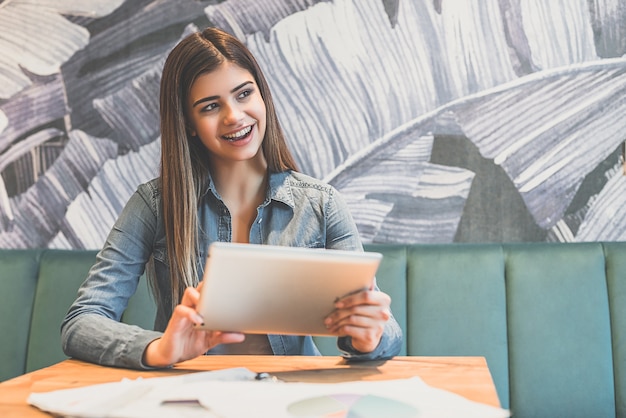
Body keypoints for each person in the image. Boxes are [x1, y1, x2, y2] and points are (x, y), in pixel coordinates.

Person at [61, 26, 402, 369]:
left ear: (262, 96)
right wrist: (160, 349)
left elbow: (385, 327)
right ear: (189, 123)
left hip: (293, 396)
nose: (234, 116)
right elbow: (82, 321)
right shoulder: (153, 203)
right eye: (210, 106)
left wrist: (370, 335)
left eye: (243, 94)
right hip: (189, 396)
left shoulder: (322, 204)